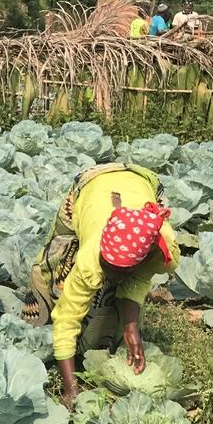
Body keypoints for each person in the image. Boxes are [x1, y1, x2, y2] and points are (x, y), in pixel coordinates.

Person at [22, 164, 179, 407]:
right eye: (108, 268)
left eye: (118, 272)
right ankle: (40, 313)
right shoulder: (91, 254)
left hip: (140, 183)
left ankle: (108, 328)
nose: (112, 277)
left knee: (111, 303)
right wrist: (71, 388)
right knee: (57, 261)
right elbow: (66, 319)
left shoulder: (162, 250)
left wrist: (131, 326)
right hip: (90, 187)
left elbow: (139, 279)